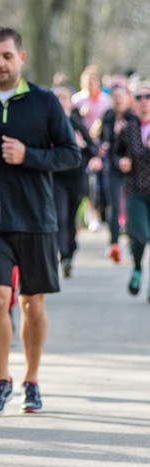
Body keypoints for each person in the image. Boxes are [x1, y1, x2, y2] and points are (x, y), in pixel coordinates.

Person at [0, 26, 80, 415]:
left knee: (32, 305)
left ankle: (32, 381)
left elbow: (71, 154)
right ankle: (1, 378)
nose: (0, 62)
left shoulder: (43, 102)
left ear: (21, 58)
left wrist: (31, 155)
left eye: (7, 55)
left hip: (37, 218)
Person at [52, 85, 98, 278]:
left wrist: (83, 145)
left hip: (76, 179)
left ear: (70, 102)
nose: (60, 102)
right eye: (57, 98)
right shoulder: (48, 126)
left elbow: (93, 149)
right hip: (55, 178)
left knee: (70, 218)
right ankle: (64, 256)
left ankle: (70, 248)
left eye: (64, 98)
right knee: (59, 217)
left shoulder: (76, 124)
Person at [113, 81, 150, 299]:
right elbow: (115, 156)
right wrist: (121, 162)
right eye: (139, 97)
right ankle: (137, 266)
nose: (144, 101)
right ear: (132, 102)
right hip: (135, 190)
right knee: (141, 235)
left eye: (148, 96)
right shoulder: (127, 129)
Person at [95, 84, 134, 262]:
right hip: (111, 167)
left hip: (132, 168)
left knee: (131, 207)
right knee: (114, 206)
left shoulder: (132, 118)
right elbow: (101, 138)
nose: (119, 100)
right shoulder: (108, 116)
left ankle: (134, 244)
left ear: (127, 97)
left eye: (121, 96)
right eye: (115, 96)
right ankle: (114, 244)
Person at [72, 66, 111, 233]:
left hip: (99, 147)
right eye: (87, 82)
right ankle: (86, 214)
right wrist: (80, 115)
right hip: (81, 147)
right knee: (84, 183)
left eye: (93, 81)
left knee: (97, 182)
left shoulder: (105, 101)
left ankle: (98, 213)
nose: (90, 85)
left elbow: (110, 121)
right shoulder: (77, 100)